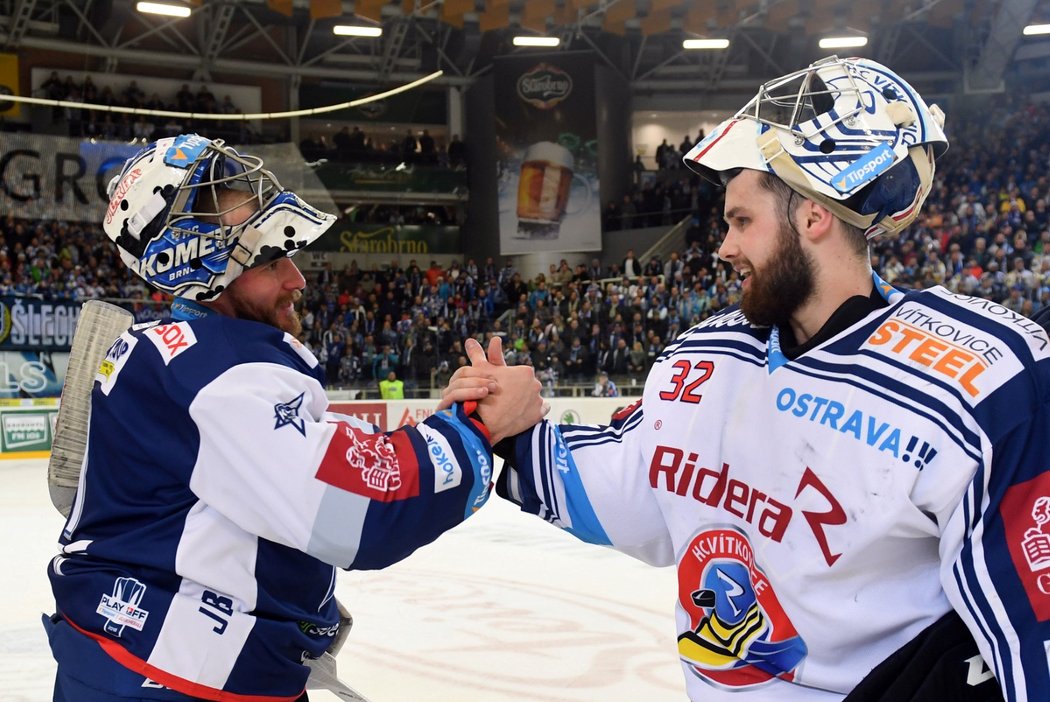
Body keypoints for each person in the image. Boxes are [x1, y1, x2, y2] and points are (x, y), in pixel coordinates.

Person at [453, 57, 1047, 700]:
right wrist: (511, 431)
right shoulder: (704, 354)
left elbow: (1027, 641)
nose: (724, 247)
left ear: (813, 216)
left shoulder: (979, 377)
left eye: (742, 221)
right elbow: (634, 490)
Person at [44, 134, 545, 702]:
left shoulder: (167, 354)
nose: (296, 279)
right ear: (197, 263)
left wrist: (446, 420)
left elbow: (300, 461)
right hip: (176, 681)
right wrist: (478, 430)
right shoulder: (216, 373)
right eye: (267, 258)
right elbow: (360, 509)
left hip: (132, 660)